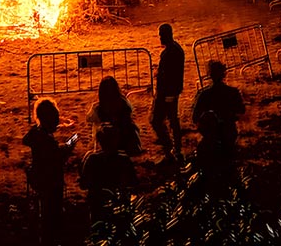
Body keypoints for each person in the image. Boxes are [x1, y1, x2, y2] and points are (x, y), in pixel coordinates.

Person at [23, 98, 75, 246]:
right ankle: (50, 238)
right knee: (52, 212)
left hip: (39, 178)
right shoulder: (47, 140)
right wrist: (68, 147)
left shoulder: (37, 134)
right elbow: (58, 157)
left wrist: (38, 125)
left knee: (45, 209)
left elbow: (26, 139)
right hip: (51, 180)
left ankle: (45, 234)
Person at [191, 61, 245, 176]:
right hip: (229, 133)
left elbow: (195, 117)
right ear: (224, 74)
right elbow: (241, 110)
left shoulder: (203, 95)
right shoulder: (232, 92)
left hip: (211, 135)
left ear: (209, 75)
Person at [78, 124, 137, 226]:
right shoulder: (124, 160)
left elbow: (83, 184)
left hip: (98, 205)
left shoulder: (92, 159)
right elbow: (133, 183)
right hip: (119, 205)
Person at [150, 23, 185, 166]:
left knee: (157, 120)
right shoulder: (177, 49)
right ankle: (175, 149)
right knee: (172, 120)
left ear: (166, 35)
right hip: (172, 91)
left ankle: (170, 150)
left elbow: (168, 75)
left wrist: (159, 78)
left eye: (161, 35)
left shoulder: (169, 53)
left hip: (166, 93)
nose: (160, 38)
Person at [86, 76, 142, 156]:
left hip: (108, 140)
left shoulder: (98, 108)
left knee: (98, 126)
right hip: (125, 139)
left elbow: (89, 118)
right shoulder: (124, 102)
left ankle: (101, 147)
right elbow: (131, 110)